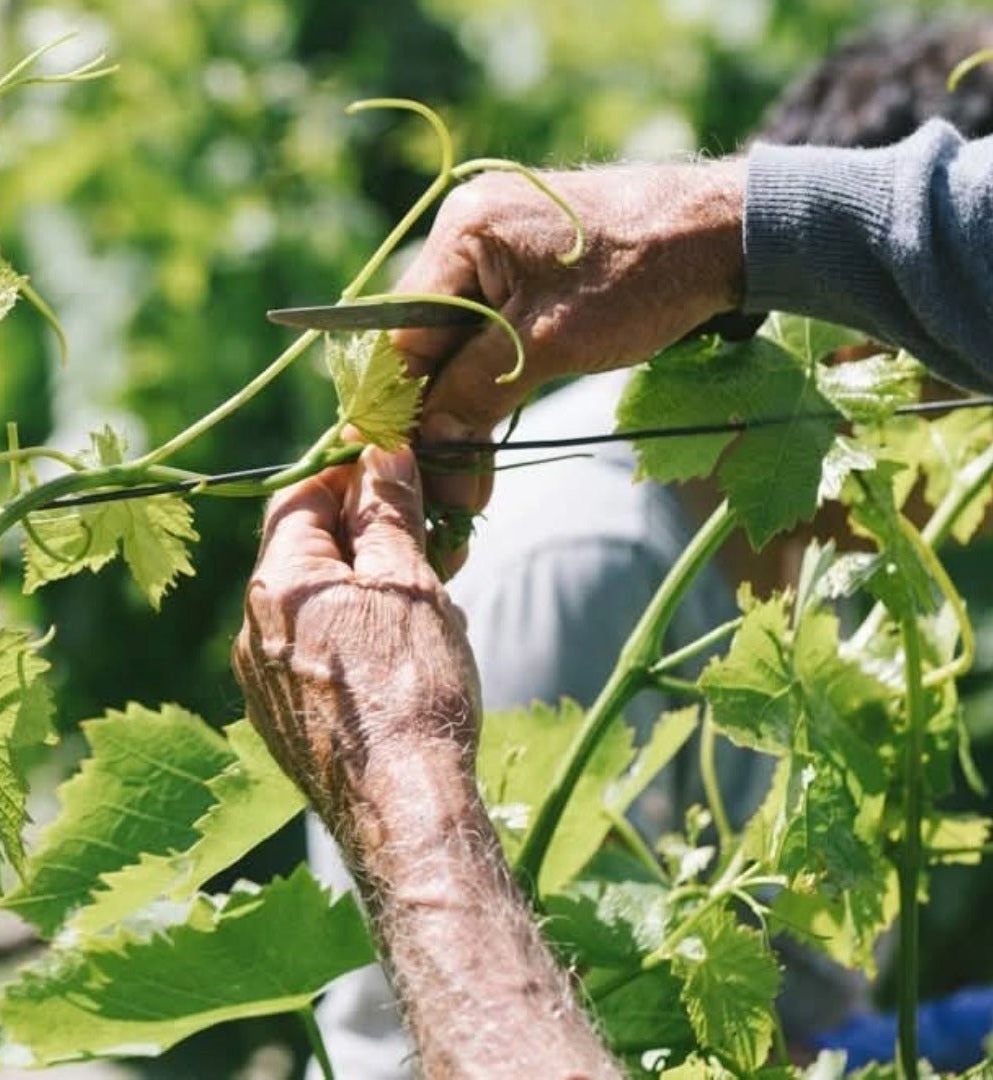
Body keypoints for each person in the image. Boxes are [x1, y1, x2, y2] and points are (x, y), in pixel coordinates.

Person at [234, 20, 993, 1079]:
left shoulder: (826, 544)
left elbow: (794, 1003)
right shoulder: (584, 565)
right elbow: (495, 1018)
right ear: (868, 341)